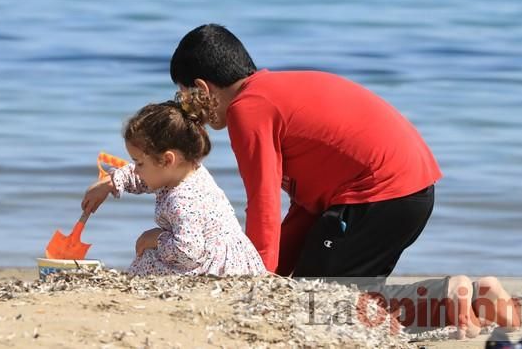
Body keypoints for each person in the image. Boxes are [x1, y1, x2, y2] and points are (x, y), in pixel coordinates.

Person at [170, 23, 441, 278]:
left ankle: (447, 297)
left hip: (379, 196)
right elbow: (309, 207)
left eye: (184, 95)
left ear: (203, 88)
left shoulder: (247, 108)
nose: (187, 108)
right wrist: (270, 269)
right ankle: (453, 301)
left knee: (315, 300)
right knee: (338, 297)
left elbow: (263, 203)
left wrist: (254, 277)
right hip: (410, 194)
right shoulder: (273, 91)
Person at [81, 92, 265, 277]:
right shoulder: (187, 170)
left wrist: (155, 238)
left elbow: (187, 252)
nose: (135, 170)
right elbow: (146, 179)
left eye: (139, 163)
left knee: (148, 259)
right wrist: (111, 182)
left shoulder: (182, 199)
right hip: (226, 256)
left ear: (168, 160)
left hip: (214, 269)